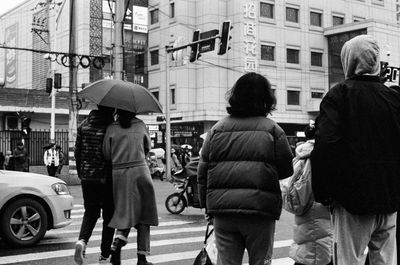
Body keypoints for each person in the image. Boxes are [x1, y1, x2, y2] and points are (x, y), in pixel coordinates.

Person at [311, 35, 400, 265]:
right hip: (389, 198)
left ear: (347, 60)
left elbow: (326, 146)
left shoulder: (339, 95)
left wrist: (323, 192)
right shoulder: (394, 97)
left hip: (352, 200)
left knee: (349, 260)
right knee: (386, 260)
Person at [197, 72, 293, 265]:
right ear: (267, 99)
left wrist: (207, 207)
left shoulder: (216, 130)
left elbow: (202, 173)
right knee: (260, 261)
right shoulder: (274, 130)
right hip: (260, 212)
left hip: (224, 213)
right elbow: (286, 171)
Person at [103, 108, 158, 265]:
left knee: (125, 211)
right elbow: (147, 147)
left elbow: (106, 153)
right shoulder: (140, 125)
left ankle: (118, 240)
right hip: (141, 171)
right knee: (144, 215)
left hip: (119, 174)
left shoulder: (112, 127)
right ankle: (142, 258)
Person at [281, 121, 332, 265]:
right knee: (318, 255)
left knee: (308, 252)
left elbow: (296, 200)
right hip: (322, 217)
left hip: (307, 218)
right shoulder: (320, 157)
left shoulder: (300, 157)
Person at [74, 105, 116, 265]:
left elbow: (77, 152)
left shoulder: (83, 125)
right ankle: (104, 256)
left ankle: (82, 242)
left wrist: (81, 174)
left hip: (87, 178)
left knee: (90, 213)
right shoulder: (111, 128)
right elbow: (112, 155)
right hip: (106, 179)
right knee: (108, 218)